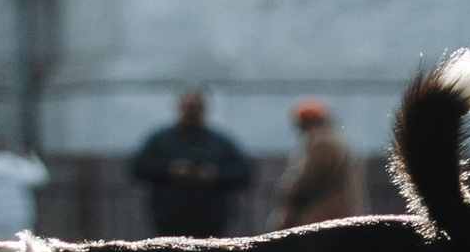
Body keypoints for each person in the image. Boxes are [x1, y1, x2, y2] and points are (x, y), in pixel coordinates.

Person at [129, 88, 255, 238]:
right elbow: (137, 167)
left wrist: (216, 174)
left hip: (210, 222)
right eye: (189, 107)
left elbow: (244, 172)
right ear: (180, 108)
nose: (192, 112)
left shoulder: (220, 142)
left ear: (203, 110)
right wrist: (169, 169)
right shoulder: (160, 140)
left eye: (196, 108)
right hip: (168, 221)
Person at [275, 97, 363, 228]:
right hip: (338, 209)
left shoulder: (322, 142)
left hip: (323, 211)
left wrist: (287, 191)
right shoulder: (338, 138)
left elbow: (306, 178)